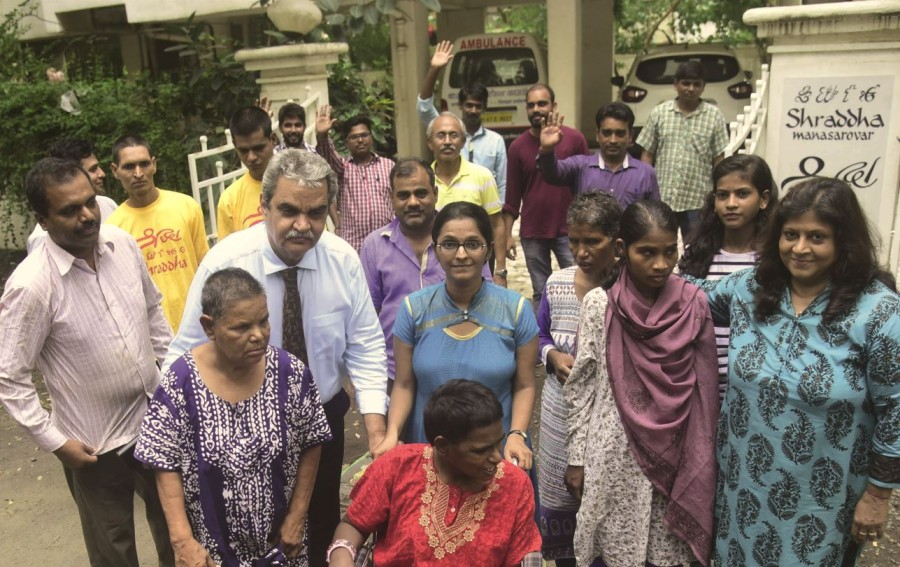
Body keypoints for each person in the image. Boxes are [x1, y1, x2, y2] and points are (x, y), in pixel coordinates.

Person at [165, 149, 388, 567]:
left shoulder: (343, 261)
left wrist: (375, 430)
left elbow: (366, 345)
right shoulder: (226, 263)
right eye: (288, 210)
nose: (302, 226)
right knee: (246, 537)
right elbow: (186, 351)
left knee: (317, 531)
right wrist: (174, 435)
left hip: (321, 423)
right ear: (263, 206)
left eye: (316, 213)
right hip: (239, 428)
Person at [686, 178, 900, 566]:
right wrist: (629, 264)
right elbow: (690, 297)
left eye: (817, 237)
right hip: (743, 490)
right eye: (791, 235)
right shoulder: (752, 288)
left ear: (843, 242)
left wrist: (879, 495)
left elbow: (896, 410)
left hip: (823, 500)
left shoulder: (879, 313)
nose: (800, 249)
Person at [0, 158, 174, 567]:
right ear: (42, 220)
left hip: (155, 421)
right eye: (69, 210)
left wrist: (169, 381)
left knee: (178, 530)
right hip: (94, 448)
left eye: (90, 202)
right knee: (113, 551)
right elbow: (10, 377)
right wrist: (56, 442)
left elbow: (153, 311)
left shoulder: (122, 245)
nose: (87, 216)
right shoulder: (31, 286)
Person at [135, 267, 331, 566]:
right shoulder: (180, 383)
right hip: (210, 556)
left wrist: (297, 516)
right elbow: (163, 462)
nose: (258, 336)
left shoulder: (290, 373)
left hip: (282, 548)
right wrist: (182, 541)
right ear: (209, 327)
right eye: (241, 327)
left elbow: (312, 440)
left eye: (263, 321)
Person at [565, 199, 719, 567]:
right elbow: (583, 386)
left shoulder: (693, 303)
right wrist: (576, 458)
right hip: (614, 453)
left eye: (669, 251)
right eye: (647, 252)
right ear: (622, 250)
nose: (661, 264)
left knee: (668, 555)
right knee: (618, 551)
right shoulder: (599, 304)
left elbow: (705, 391)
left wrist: (703, 455)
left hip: (678, 449)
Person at [375, 201, 537, 475]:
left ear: (487, 248)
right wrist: (392, 434)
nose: (461, 254)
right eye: (449, 244)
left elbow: (524, 385)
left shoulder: (516, 309)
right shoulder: (414, 308)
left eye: (473, 244)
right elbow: (403, 384)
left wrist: (517, 434)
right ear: (436, 249)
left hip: (497, 451)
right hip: (430, 450)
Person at [327, 379, 543, 567]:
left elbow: (525, 555)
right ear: (442, 445)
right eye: (480, 450)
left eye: (498, 443)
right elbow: (354, 523)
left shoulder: (514, 485)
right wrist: (341, 554)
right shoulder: (398, 466)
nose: (497, 457)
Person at [535, 192, 622, 565]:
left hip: (609, 418)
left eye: (593, 241)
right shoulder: (557, 284)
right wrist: (552, 355)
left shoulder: (628, 289)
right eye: (574, 241)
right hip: (559, 412)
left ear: (616, 242)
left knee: (607, 507)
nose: (582, 252)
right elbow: (539, 336)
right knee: (562, 503)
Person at [360, 157, 490, 384]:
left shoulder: (462, 239)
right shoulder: (374, 245)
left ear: (436, 194)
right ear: (391, 198)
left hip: (459, 370)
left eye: (421, 193)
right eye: (403, 195)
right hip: (395, 373)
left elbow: (486, 300)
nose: (412, 202)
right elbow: (367, 316)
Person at [678, 154, 776, 400]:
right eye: (723, 195)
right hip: (700, 385)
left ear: (763, 199)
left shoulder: (773, 260)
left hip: (754, 388)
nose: (731, 203)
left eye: (742, 194)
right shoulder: (697, 254)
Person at [107, 135, 209, 332]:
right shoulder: (113, 230)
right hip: (151, 335)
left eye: (144, 164)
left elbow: (204, 267)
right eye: (129, 167)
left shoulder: (186, 206)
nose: (138, 173)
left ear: (153, 165)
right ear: (115, 171)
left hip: (196, 324)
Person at [503, 84, 588, 310]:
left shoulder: (574, 139)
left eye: (542, 103)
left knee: (579, 286)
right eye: (531, 105)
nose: (536, 109)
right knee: (541, 292)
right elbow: (512, 196)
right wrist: (507, 235)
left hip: (570, 230)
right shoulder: (518, 147)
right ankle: (541, 340)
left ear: (554, 106)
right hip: (533, 231)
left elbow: (586, 182)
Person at [637, 61, 728, 238]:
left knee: (695, 247)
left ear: (703, 87)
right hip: (662, 197)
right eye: (686, 83)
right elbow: (647, 153)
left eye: (696, 84)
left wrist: (718, 192)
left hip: (697, 199)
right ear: (676, 84)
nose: (691, 88)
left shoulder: (714, 116)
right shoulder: (660, 113)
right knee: (659, 242)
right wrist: (645, 187)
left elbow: (719, 159)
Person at [418, 40, 507, 202]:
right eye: (469, 105)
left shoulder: (496, 141)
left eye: (478, 106)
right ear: (460, 105)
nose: (473, 111)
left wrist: (498, 217)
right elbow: (424, 106)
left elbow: (502, 184)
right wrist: (434, 69)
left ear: (484, 108)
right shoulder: (447, 130)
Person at [427, 112, 508, 286]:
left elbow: (497, 225)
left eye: (453, 135)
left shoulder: (482, 176)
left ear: (463, 142)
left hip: (476, 272)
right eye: (441, 135)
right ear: (430, 143)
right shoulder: (423, 181)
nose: (447, 141)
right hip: (432, 275)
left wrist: (500, 272)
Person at [537, 103, 660, 207]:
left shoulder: (646, 173)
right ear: (597, 135)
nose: (613, 140)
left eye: (620, 133)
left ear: (630, 136)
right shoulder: (580, 167)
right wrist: (547, 149)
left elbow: (655, 219)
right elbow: (552, 175)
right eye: (606, 133)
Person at [315, 106, 395, 252]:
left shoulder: (389, 166)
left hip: (387, 244)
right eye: (354, 137)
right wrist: (322, 136)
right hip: (354, 247)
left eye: (364, 135)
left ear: (371, 137)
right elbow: (328, 155)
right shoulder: (342, 169)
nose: (360, 140)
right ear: (347, 143)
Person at [27, 138, 118, 253]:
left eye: (91, 203)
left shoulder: (107, 204)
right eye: (70, 210)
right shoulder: (41, 240)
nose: (102, 174)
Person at [216, 106, 278, 241]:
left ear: (273, 140)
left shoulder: (298, 185)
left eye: (258, 148)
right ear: (234, 145)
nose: (251, 157)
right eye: (243, 151)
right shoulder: (229, 199)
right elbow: (227, 256)